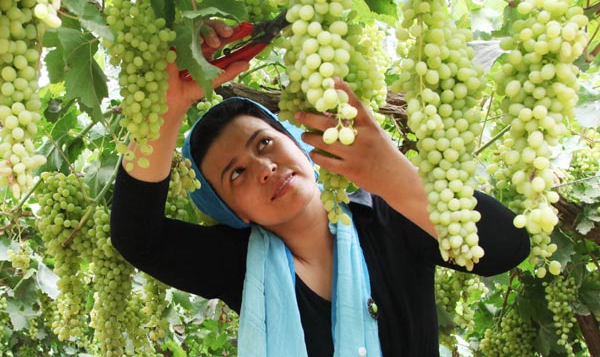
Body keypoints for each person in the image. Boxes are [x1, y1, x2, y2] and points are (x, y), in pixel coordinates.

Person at [110, 21, 530, 356]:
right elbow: (137, 238)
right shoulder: (238, 264)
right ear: (234, 212)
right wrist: (165, 111)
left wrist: (393, 174)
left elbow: (508, 247)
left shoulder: (390, 216)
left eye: (264, 143)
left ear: (300, 145)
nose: (264, 168)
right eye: (235, 174)